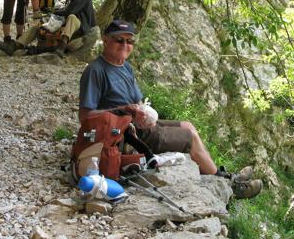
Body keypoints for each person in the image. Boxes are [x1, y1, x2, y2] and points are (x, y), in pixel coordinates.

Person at [78, 19, 263, 199]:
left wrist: (143, 112)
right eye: (119, 40)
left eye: (130, 41)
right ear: (106, 39)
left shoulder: (125, 67)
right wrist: (124, 109)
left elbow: (137, 100)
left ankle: (219, 174)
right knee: (189, 138)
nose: (125, 45)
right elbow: (85, 117)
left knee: (188, 126)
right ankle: (231, 185)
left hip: (138, 123)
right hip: (123, 134)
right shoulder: (96, 71)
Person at [0, 0, 96, 57]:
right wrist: (52, 14)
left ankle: (61, 47)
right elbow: (66, 7)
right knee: (38, 26)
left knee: (72, 17)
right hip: (69, 23)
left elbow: (70, 11)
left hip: (81, 25)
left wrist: (54, 12)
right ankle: (16, 45)